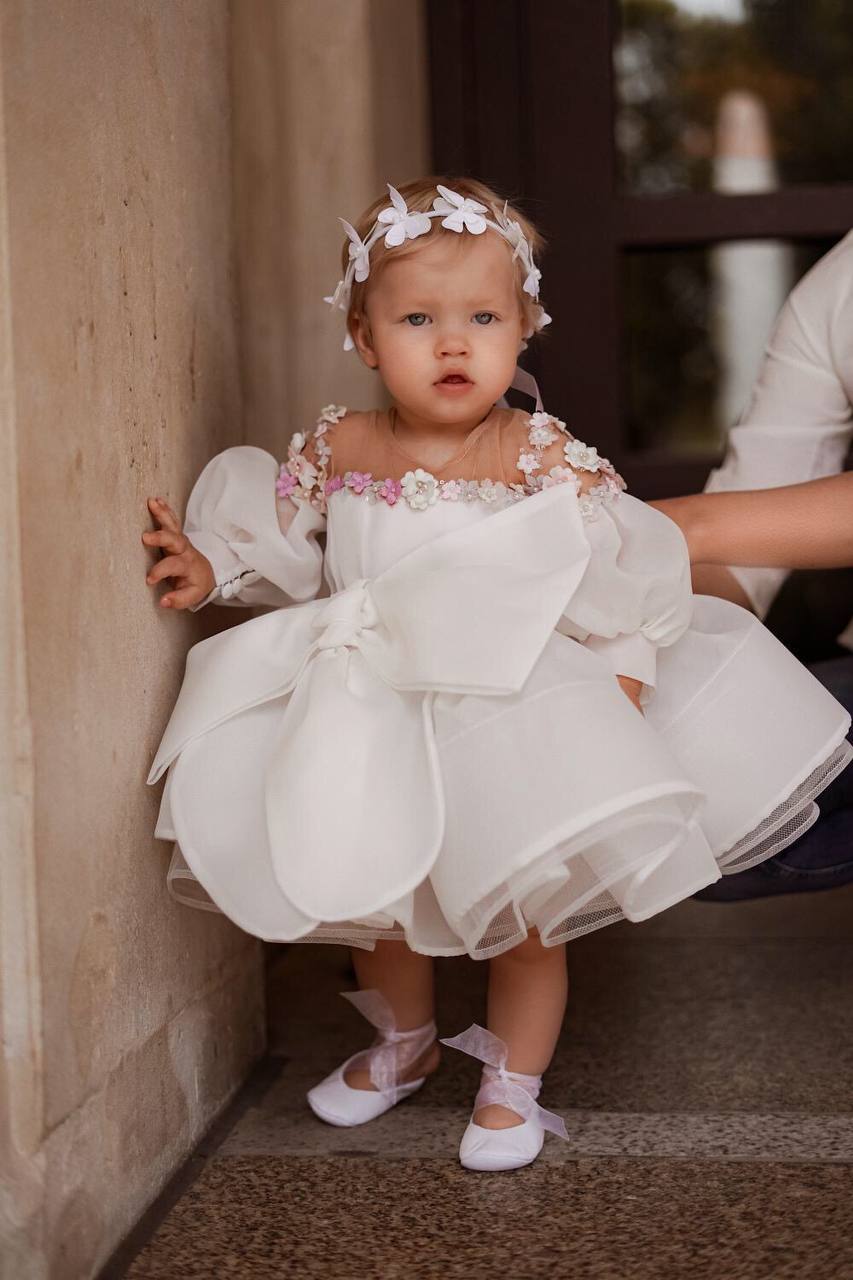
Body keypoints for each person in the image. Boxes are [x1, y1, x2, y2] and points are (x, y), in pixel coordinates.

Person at [143, 177, 852, 1173]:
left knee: (525, 915)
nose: (451, 343)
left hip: (508, 707)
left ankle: (512, 1082)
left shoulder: (538, 456)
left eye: (482, 318)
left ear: (523, 329)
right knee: (377, 890)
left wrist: (625, 675)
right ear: (362, 333)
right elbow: (289, 543)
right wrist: (217, 565)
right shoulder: (339, 446)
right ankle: (401, 1041)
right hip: (372, 705)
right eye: (418, 318)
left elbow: (623, 571)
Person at [653, 231, 853, 901]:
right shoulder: (837, 284)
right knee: (688, 809)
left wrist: (669, 529)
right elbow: (740, 553)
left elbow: (707, 529)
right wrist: (639, 639)